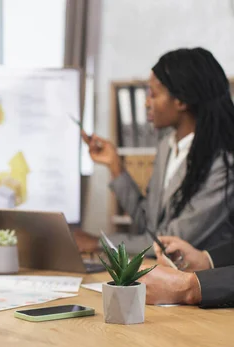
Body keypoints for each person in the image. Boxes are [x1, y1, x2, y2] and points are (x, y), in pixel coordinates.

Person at [74, 47, 234, 256]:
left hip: (201, 284)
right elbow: (148, 224)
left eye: (153, 94)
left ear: (181, 101)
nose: (146, 102)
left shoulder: (224, 162)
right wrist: (115, 165)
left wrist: (99, 242)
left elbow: (172, 240)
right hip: (166, 274)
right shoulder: (167, 147)